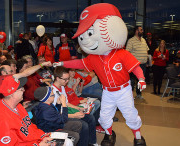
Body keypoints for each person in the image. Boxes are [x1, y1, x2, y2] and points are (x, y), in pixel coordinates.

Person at [53, 3, 146, 146]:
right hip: (108, 91)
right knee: (104, 116)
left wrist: (141, 78)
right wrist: (61, 63)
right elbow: (78, 63)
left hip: (123, 90)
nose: (86, 39)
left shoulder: (122, 53)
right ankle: (109, 135)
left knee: (130, 114)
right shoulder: (93, 58)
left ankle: (138, 136)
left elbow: (136, 68)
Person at [0, 61, 52, 126]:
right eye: (11, 71)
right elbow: (25, 73)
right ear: (3, 73)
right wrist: (42, 64)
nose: (13, 73)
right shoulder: (4, 78)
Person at [0, 75, 54, 145]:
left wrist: (43, 137)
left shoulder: (17, 106)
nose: (24, 90)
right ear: (12, 94)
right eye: (21, 89)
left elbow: (30, 127)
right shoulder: (2, 121)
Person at [52, 66, 98, 146]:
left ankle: (92, 142)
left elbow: (66, 103)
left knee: (90, 118)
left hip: (66, 112)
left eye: (68, 79)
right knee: (84, 125)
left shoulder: (62, 87)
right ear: (57, 78)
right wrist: (74, 115)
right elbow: (56, 114)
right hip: (60, 117)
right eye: (65, 79)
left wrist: (78, 108)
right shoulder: (52, 92)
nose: (67, 81)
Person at [126, 26, 149, 99]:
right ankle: (131, 95)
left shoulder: (143, 40)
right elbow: (127, 52)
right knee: (132, 81)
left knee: (141, 80)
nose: (142, 31)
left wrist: (147, 60)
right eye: (141, 30)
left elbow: (146, 51)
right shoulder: (131, 41)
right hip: (134, 65)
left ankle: (139, 94)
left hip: (143, 64)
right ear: (136, 31)